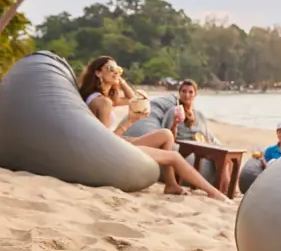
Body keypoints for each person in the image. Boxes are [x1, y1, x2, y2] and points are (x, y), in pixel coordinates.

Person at [78, 56, 228, 201]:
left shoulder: (102, 97)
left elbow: (132, 99)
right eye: (110, 68)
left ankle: (171, 184)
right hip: (109, 150)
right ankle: (213, 192)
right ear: (98, 73)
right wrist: (129, 122)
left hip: (112, 142)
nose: (115, 72)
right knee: (175, 157)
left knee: (166, 134)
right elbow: (103, 140)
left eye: (118, 69)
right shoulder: (103, 102)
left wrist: (120, 80)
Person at [165, 79, 235, 193]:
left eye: (190, 92)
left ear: (195, 94)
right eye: (184, 91)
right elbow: (168, 137)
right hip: (185, 146)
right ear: (179, 93)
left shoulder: (199, 115)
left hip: (201, 144)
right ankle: (224, 188)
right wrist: (175, 124)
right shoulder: (173, 111)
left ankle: (229, 187)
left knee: (227, 156)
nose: (187, 95)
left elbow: (205, 135)